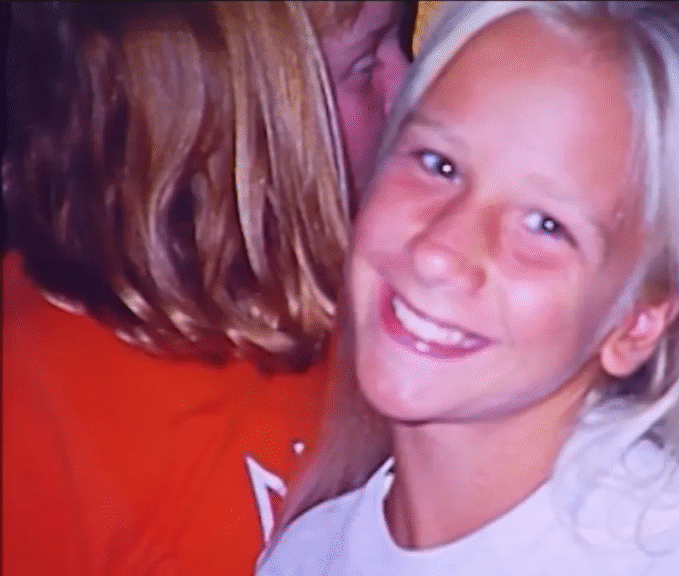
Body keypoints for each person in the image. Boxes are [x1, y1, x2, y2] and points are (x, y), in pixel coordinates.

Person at [259, 2, 679, 574]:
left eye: (546, 225)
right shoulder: (305, 553)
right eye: (438, 163)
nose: (441, 252)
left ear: (637, 323)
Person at [2, 2, 412, 574]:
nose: (409, 86)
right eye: (366, 64)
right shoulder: (32, 400)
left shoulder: (402, 297)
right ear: (223, 119)